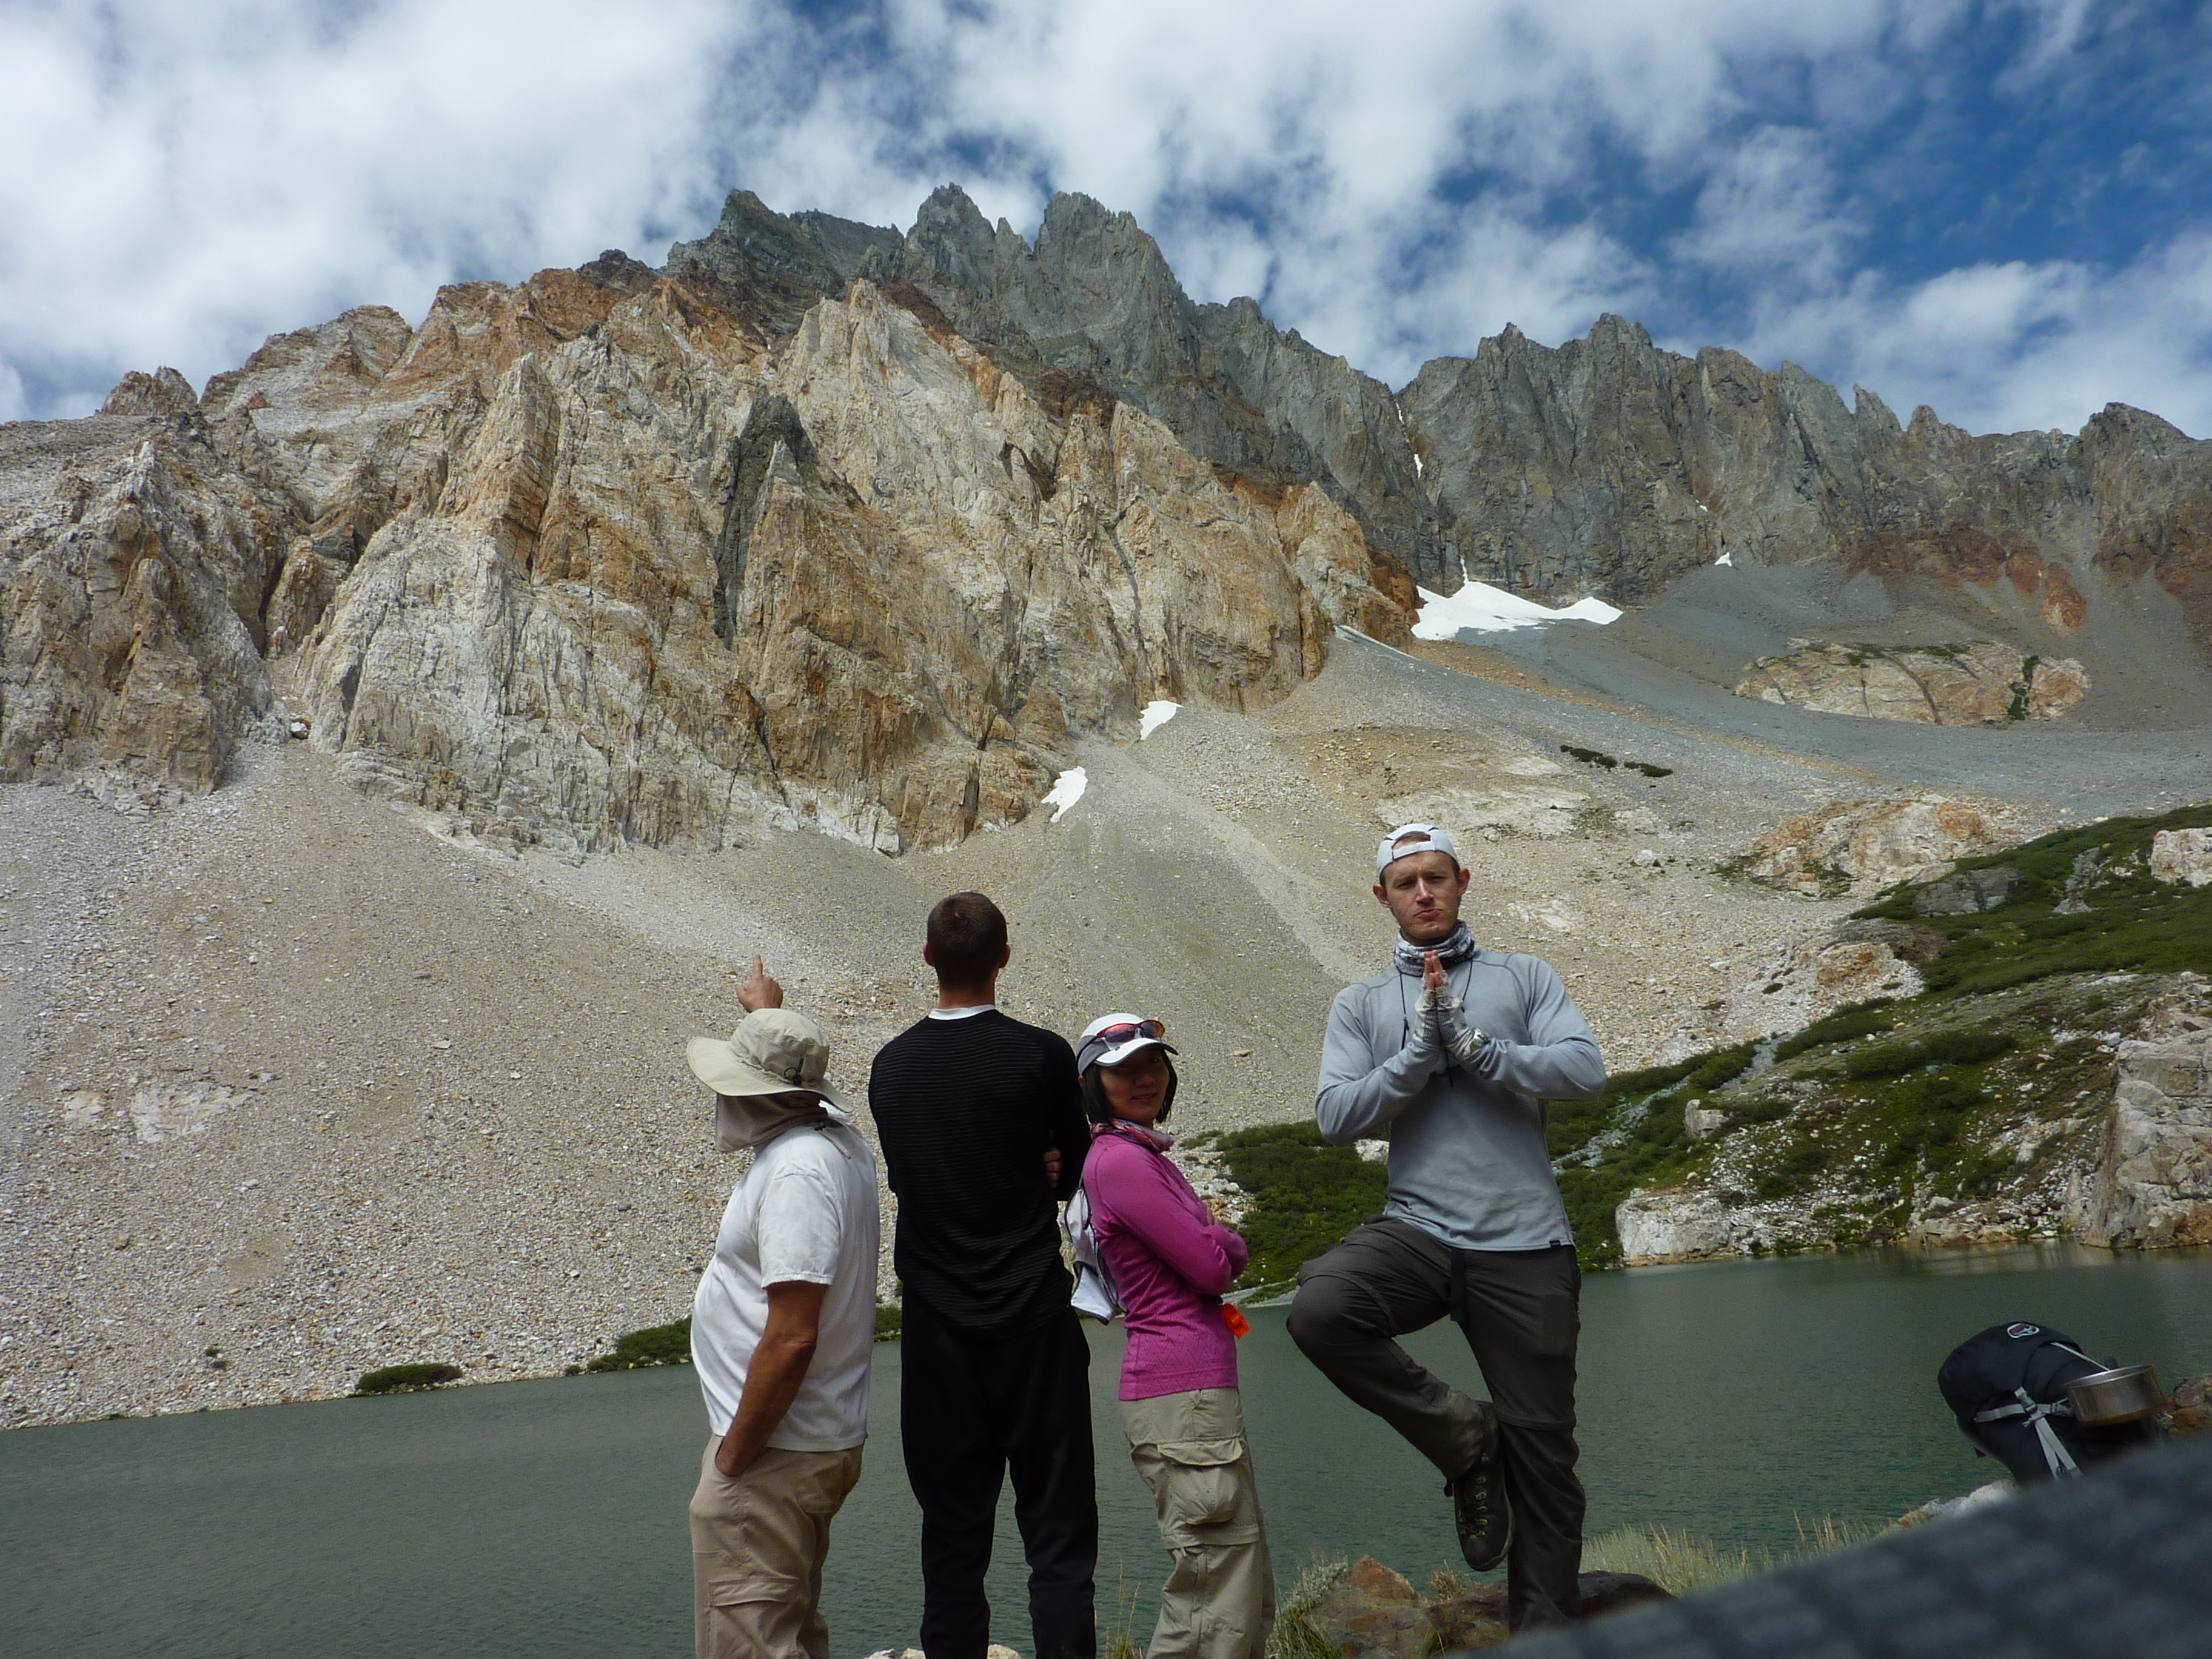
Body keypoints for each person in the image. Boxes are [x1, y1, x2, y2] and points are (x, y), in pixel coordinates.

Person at [1287, 823, 1606, 1634]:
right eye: (1406, 882)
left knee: (1545, 1457)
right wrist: (1418, 1058)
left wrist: (1481, 1048)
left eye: (1437, 877)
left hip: (1526, 1241)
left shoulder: (1523, 976)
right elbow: (1333, 1117)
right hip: (1420, 1233)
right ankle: (1467, 1438)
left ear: (1464, 881)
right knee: (1323, 1308)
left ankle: (1542, 1636)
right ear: (1382, 896)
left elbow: (1585, 1069)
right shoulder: (1359, 1003)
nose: (1423, 892)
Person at [867, 893, 1097, 1659]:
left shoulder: (891, 1068)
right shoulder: (1040, 1055)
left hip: (938, 1334)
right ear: (1005, 956)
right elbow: (1077, 1168)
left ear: (928, 958)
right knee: (1058, 1543)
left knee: (953, 1543)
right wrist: (1047, 1169)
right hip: (1033, 1317)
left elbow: (911, 1177)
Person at [685, 956, 883, 1659]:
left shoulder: (797, 1170)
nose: (721, 1099)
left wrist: (734, 1461)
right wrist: (765, 1013)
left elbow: (794, 1336)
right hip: (805, 1444)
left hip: (773, 1453)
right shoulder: (835, 1143)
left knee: (753, 1644)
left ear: (761, 1097)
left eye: (732, 1087)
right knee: (792, 1631)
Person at [1077, 1013, 1276, 1659]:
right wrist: (1226, 1239)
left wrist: (1209, 1239)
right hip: (1182, 1395)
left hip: (1191, 1395)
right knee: (1213, 1594)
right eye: (1123, 1069)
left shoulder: (1138, 1155)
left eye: (1154, 1064)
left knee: (1233, 1583)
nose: (1145, 1079)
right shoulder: (1123, 1164)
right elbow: (1213, 1264)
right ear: (1092, 1083)